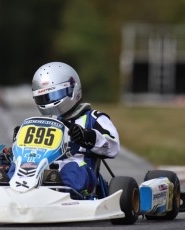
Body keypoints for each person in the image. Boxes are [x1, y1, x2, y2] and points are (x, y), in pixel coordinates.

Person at [27, 61, 120, 194]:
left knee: (71, 169)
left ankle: (61, 192)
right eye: (44, 97)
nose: (49, 101)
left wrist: (87, 136)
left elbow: (113, 147)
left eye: (54, 95)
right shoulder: (42, 123)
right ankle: (11, 191)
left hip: (78, 173)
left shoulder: (93, 118)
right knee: (13, 167)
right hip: (42, 171)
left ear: (73, 89)